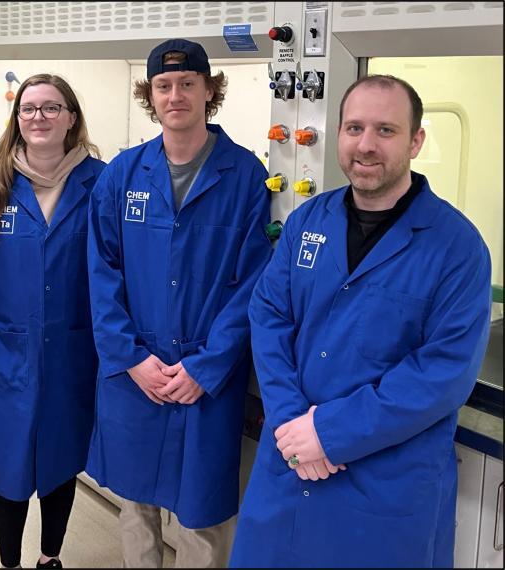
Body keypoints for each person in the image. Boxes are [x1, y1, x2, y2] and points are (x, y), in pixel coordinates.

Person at [229, 75, 492, 568]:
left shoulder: (457, 247)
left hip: (383, 482)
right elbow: (269, 316)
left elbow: (442, 373)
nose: (366, 145)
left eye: (385, 130)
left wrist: (329, 433)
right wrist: (291, 421)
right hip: (289, 461)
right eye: (354, 128)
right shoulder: (308, 222)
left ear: (416, 141)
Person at [85, 39, 272, 568]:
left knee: (201, 516)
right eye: (163, 86)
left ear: (210, 90)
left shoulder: (247, 177)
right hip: (135, 370)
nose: (175, 95)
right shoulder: (122, 175)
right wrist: (132, 359)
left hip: (205, 375)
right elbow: (101, 276)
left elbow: (252, 285)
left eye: (188, 83)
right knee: (136, 507)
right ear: (150, 96)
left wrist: (205, 366)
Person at [0, 73, 105, 569]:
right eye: (29, 109)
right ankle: (9, 563)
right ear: (17, 118)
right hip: (0, 350)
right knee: (7, 463)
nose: (39, 118)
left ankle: (50, 557)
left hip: (74, 349)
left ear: (71, 118)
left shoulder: (102, 182)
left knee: (60, 457)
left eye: (52, 108)